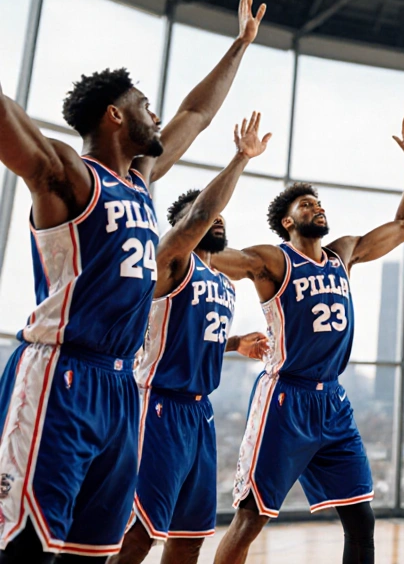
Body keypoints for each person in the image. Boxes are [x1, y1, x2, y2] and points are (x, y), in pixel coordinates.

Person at [0, 0, 265, 562]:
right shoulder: (69, 175)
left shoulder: (141, 181)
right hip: (60, 377)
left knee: (91, 553)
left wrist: (241, 44)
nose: (158, 114)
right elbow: (12, 127)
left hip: (121, 389)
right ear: (116, 116)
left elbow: (196, 113)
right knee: (23, 549)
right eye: (146, 105)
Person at [208, 114, 404, 564]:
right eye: (305, 205)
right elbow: (213, 256)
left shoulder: (342, 253)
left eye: (317, 203)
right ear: (287, 221)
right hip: (284, 399)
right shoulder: (273, 259)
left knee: (360, 518)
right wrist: (239, 161)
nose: (315, 208)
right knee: (251, 519)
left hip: (333, 402)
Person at [110, 113, 272, 564]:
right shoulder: (172, 262)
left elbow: (188, 337)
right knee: (139, 533)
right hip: (157, 405)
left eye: (221, 217)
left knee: (189, 536)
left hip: (199, 413)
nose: (215, 220)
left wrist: (236, 342)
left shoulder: (219, 277)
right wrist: (241, 158)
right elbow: (199, 213)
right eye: (207, 216)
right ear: (185, 226)